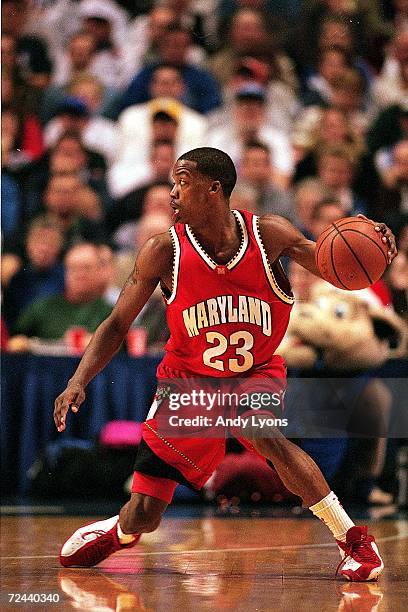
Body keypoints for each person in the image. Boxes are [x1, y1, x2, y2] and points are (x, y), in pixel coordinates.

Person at [55, 147, 396, 581]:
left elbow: (335, 265)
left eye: (182, 182)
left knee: (260, 431)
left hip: (253, 372)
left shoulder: (268, 234)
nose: (172, 193)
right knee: (145, 513)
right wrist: (78, 378)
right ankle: (121, 530)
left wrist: (375, 254)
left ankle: (353, 540)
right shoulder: (163, 251)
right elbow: (118, 323)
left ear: (214, 189)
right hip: (188, 382)